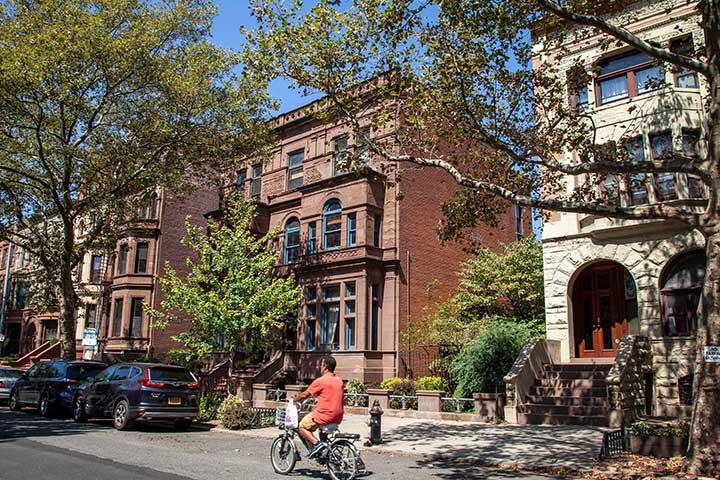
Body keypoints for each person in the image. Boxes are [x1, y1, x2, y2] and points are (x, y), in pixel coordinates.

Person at [292, 356, 344, 458]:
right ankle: (324, 453)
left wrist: (293, 399)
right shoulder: (339, 381)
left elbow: (305, 395)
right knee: (321, 430)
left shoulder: (321, 381)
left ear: (325, 367)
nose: (320, 367)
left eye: (321, 365)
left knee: (301, 426)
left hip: (324, 415)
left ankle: (317, 444)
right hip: (338, 416)